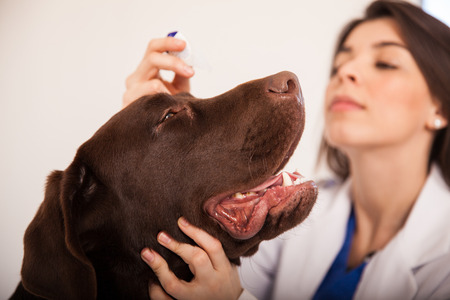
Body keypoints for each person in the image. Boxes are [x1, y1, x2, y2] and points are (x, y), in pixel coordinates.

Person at [123, 0, 450, 299]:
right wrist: (156, 130)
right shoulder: (291, 206)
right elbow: (195, 265)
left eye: (385, 63)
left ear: (440, 108)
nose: (345, 74)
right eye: (339, 65)